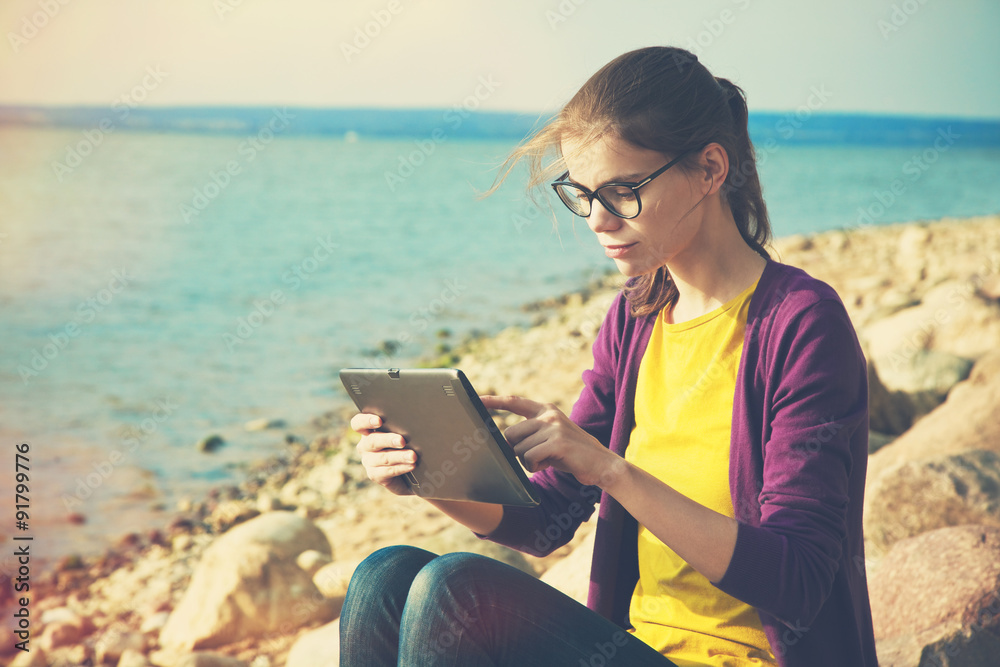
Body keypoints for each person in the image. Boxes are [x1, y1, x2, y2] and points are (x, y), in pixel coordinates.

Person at [339, 46, 878, 667]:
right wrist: (425, 475)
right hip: (637, 649)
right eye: (582, 193)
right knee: (384, 575)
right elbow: (548, 521)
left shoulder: (800, 324)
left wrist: (611, 469)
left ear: (709, 169)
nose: (597, 219)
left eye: (622, 192)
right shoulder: (637, 316)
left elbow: (798, 580)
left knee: (453, 589)